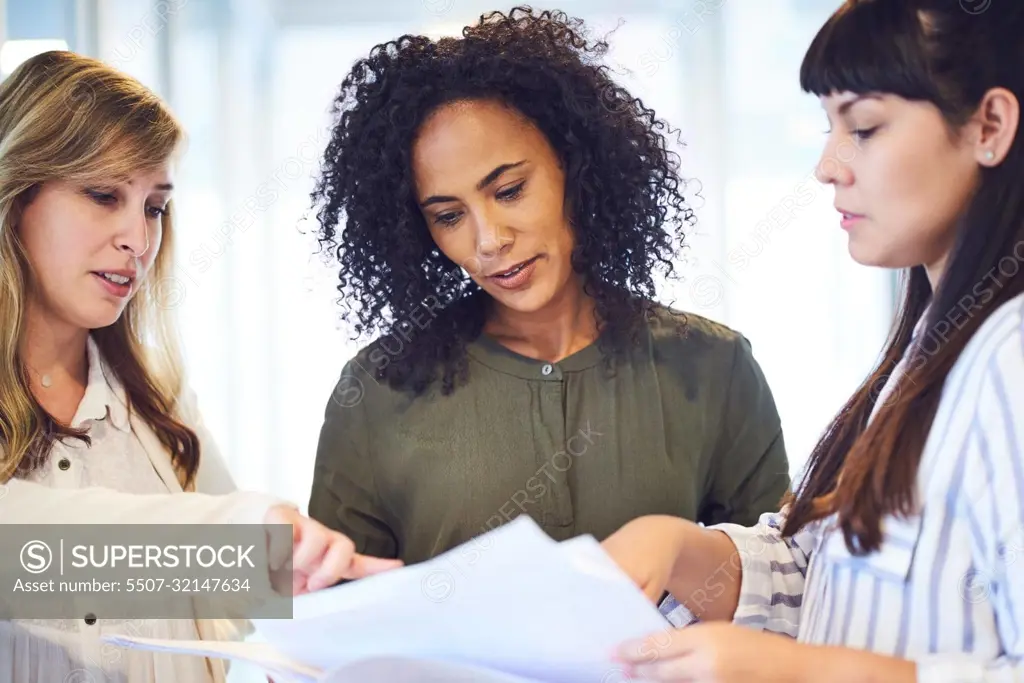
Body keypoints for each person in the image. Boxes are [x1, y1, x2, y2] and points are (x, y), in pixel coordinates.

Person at [600, 1, 1024, 681]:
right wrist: (684, 549)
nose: (828, 166)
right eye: (829, 127)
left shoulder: (1011, 356)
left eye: (863, 126)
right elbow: (823, 575)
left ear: (990, 125)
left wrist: (803, 672)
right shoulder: (924, 354)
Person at [306, 6, 791, 566]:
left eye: (509, 190)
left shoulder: (712, 367)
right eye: (448, 215)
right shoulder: (377, 388)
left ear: (576, 166)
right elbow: (326, 606)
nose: (488, 241)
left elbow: (778, 589)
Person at [0, 51, 400, 683]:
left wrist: (322, 610)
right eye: (104, 195)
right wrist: (244, 536)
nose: (139, 238)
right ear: (15, 196)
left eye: (154, 207)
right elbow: (22, 550)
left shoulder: (157, 396)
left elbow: (248, 597)